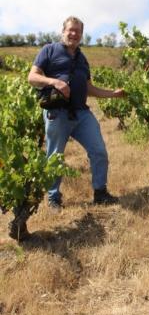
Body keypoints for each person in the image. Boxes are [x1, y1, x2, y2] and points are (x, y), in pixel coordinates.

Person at [28, 16, 125, 209]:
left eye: (78, 31)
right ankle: (53, 198)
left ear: (81, 35)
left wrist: (113, 94)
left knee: (99, 151)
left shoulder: (82, 59)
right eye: (70, 30)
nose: (74, 34)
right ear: (63, 31)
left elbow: (90, 89)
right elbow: (32, 77)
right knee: (55, 156)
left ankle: (100, 193)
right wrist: (54, 81)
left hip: (81, 113)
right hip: (57, 112)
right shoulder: (49, 50)